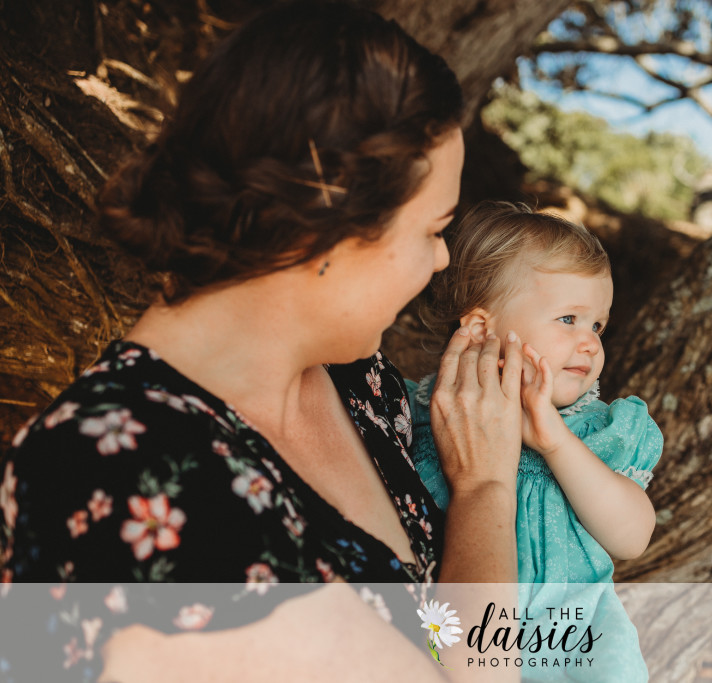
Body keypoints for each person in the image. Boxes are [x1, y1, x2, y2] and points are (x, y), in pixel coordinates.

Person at [0, 3, 524, 681]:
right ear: (328, 228)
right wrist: (484, 489)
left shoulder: (359, 383)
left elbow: (438, 633)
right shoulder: (121, 472)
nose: (442, 259)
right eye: (432, 229)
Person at [408, 201, 662, 681]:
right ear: (481, 329)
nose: (590, 342)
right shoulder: (426, 413)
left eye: (597, 325)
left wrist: (555, 442)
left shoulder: (598, 430)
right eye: (568, 319)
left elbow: (632, 538)